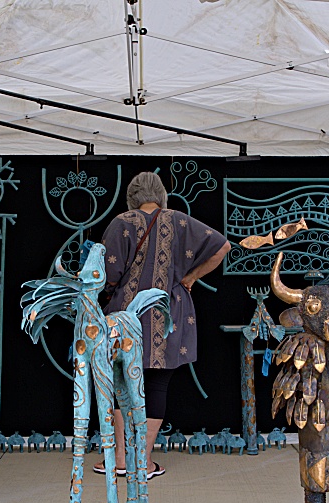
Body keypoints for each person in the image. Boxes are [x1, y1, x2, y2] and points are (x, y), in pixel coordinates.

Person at [93, 171, 229, 479]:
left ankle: (120, 459)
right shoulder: (179, 221)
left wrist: (111, 291)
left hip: (126, 315)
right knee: (157, 384)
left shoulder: (122, 222)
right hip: (168, 314)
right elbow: (222, 247)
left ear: (131, 197)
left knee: (121, 382)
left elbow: (108, 274)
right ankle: (143, 461)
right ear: (162, 195)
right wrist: (190, 278)